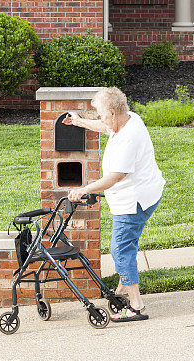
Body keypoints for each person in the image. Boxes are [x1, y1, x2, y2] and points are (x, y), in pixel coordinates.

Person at [63, 87, 165, 323]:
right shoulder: (128, 119)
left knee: (120, 249)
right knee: (127, 244)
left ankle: (137, 305)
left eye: (100, 113)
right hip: (146, 194)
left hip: (134, 202)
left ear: (111, 113)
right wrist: (80, 122)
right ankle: (122, 288)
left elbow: (115, 176)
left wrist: (84, 189)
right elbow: (106, 127)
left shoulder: (130, 138)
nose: (100, 118)